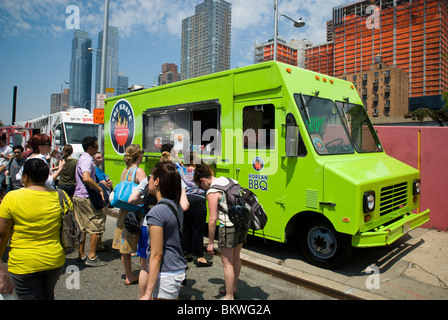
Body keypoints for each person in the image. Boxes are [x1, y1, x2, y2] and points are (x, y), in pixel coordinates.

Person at [0, 159, 72, 300]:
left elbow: (2, 234)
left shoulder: (12, 198)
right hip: (54, 260)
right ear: (46, 177)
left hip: (23, 263)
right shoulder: (61, 196)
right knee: (48, 295)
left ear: (25, 177)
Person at [193, 163, 248, 300]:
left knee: (227, 263)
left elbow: (212, 220)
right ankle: (233, 287)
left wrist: (210, 242)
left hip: (228, 227)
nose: (201, 189)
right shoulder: (230, 180)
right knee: (236, 258)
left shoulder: (212, 192)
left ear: (203, 180)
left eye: (200, 186)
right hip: (242, 224)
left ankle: (229, 296)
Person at [140, 162, 187, 300]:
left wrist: (147, 293)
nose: (148, 180)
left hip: (165, 272)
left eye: (150, 177)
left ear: (157, 182)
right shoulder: (175, 205)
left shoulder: (157, 212)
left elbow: (156, 255)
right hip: (175, 268)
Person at [112, 144, 146, 285]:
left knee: (124, 246)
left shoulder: (125, 170)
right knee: (142, 244)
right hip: (136, 212)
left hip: (124, 211)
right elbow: (146, 190)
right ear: (139, 156)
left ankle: (129, 275)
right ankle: (145, 273)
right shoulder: (138, 171)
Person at [73, 136, 107, 267]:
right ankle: (92, 257)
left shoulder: (81, 158)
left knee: (82, 227)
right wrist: (100, 189)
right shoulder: (87, 159)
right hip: (87, 196)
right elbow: (86, 178)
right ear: (90, 147)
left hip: (79, 196)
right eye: (96, 147)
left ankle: (81, 254)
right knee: (96, 224)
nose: (97, 149)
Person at [178, 154, 210, 267]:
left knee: (186, 228)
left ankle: (186, 254)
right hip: (198, 201)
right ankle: (200, 257)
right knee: (198, 229)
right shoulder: (201, 171)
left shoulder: (180, 171)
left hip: (184, 201)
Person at [0, 136, 13, 201]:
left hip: (4, 167)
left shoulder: (8, 149)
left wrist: (4, 156)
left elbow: (11, 158)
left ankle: (3, 195)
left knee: (1, 183)